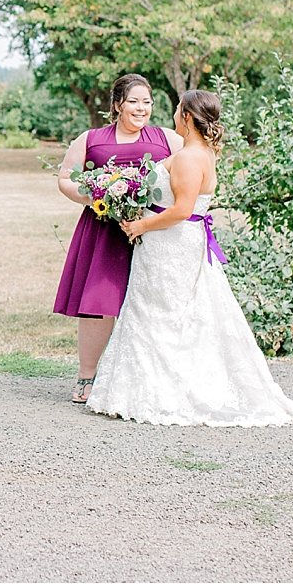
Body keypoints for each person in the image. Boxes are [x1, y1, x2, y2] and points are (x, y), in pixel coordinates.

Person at [86, 90, 293, 426]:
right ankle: (144, 387)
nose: (173, 114)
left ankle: (158, 394)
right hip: (175, 242)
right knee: (169, 312)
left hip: (171, 243)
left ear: (187, 117)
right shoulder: (199, 151)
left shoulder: (190, 157)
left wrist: (140, 224)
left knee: (161, 312)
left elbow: (182, 210)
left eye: (177, 109)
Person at [54, 74, 182, 403]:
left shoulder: (168, 138)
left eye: (147, 102)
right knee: (98, 304)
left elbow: (194, 165)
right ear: (116, 105)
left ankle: (152, 379)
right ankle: (86, 376)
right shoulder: (91, 138)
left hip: (151, 230)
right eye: (134, 101)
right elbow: (66, 177)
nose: (141, 108)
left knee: (154, 303)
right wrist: (96, 197)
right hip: (102, 231)